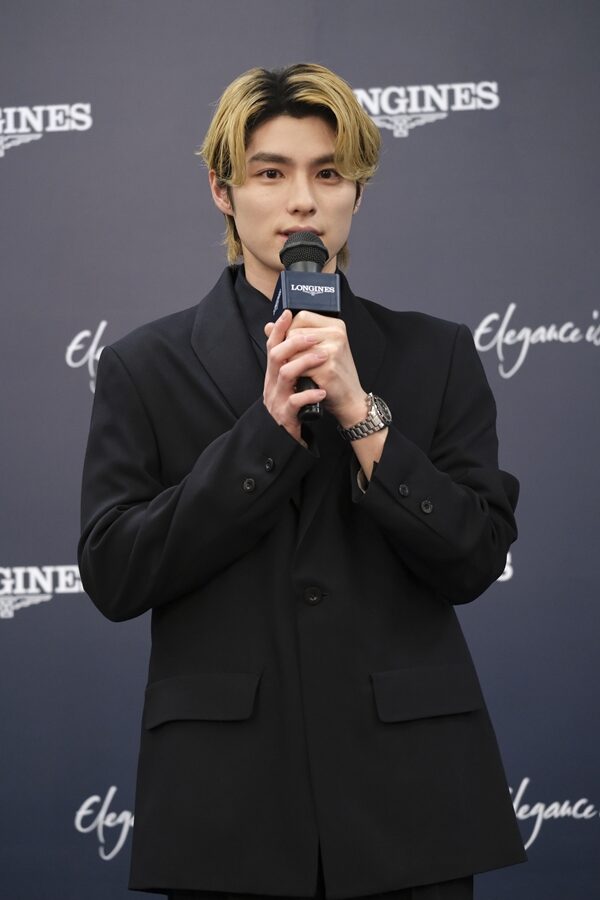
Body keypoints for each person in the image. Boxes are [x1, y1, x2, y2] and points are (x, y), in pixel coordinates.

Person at [78, 63, 525, 900]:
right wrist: (264, 433)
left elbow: (474, 557)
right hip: (227, 806)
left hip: (410, 802)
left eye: (327, 174)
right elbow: (114, 571)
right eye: (270, 173)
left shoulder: (436, 354)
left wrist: (362, 414)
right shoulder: (144, 367)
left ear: (356, 192)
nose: (302, 202)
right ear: (222, 191)